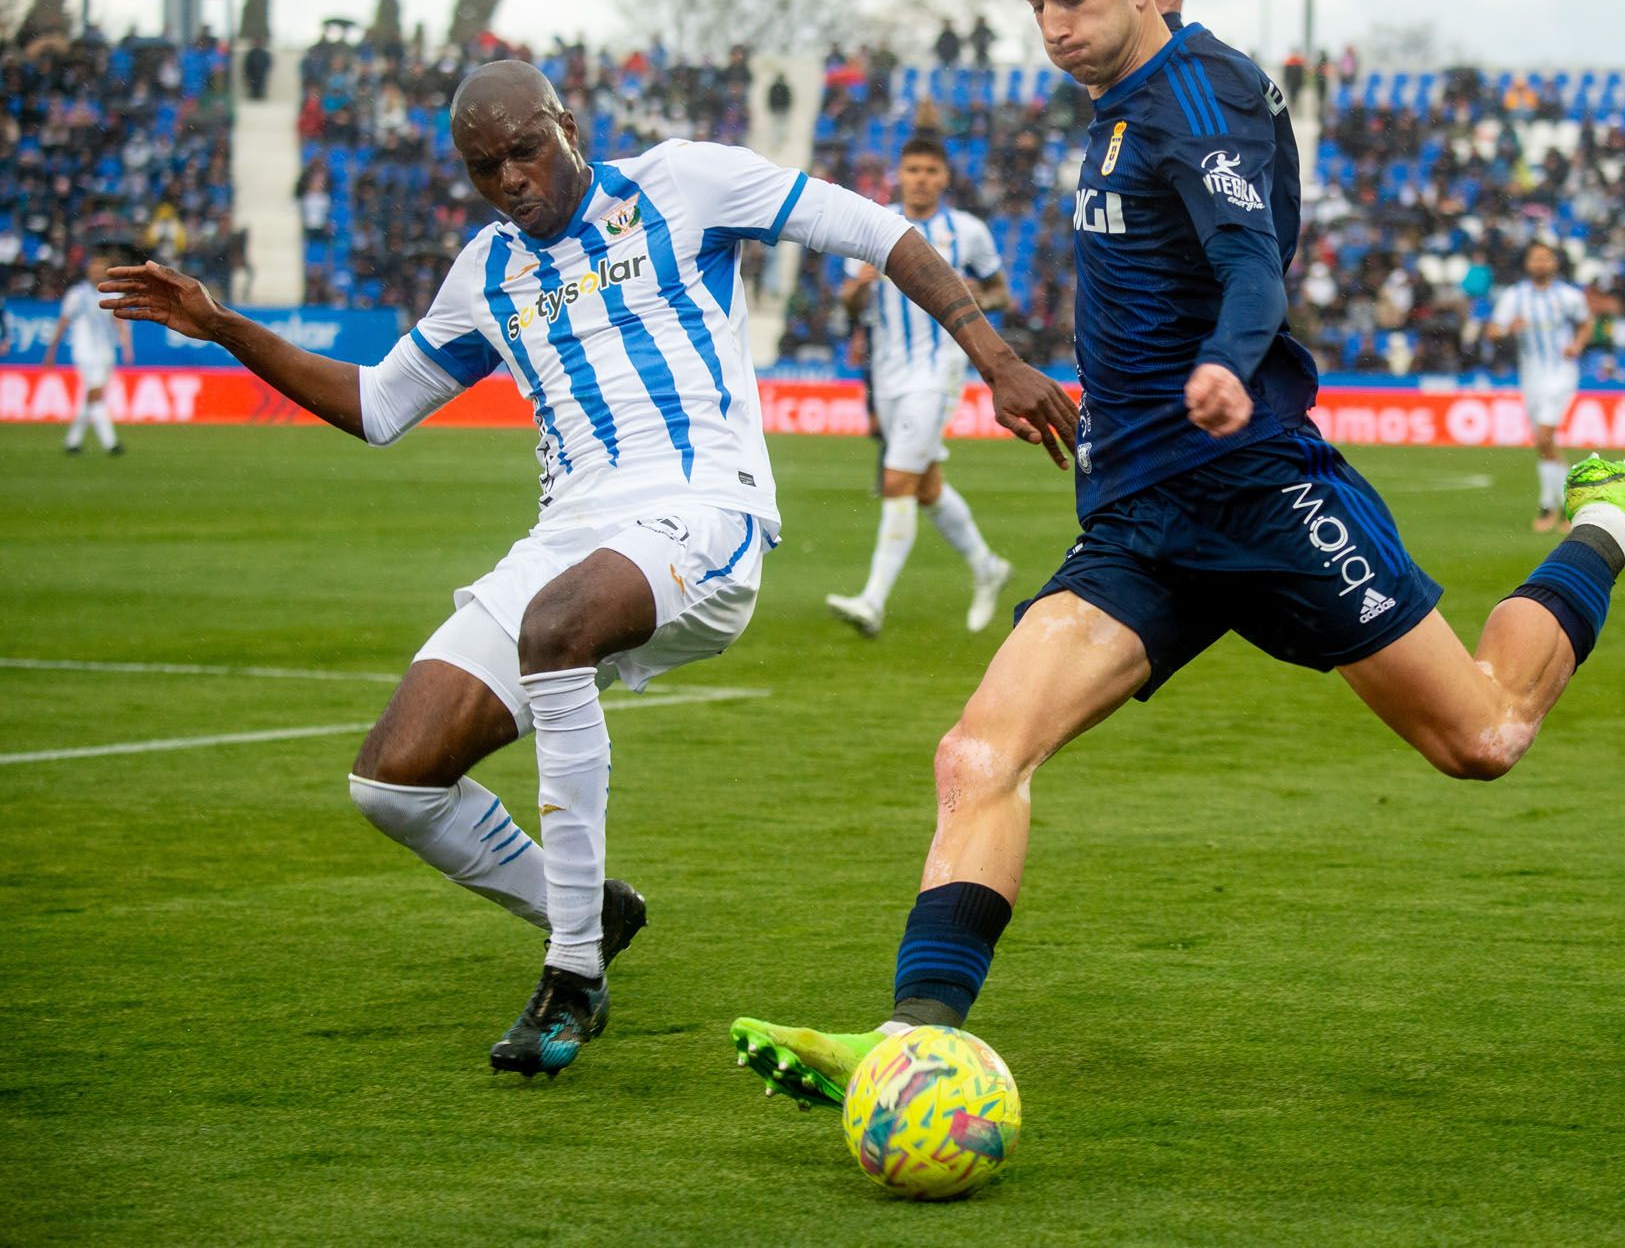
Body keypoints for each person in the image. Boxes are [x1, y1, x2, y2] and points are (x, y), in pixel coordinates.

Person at [727, 0, 1625, 1110]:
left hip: (1258, 495)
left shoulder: (1197, 96)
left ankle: (1608, 518)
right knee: (976, 753)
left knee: (1481, 735)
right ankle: (912, 1041)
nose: (1051, 25)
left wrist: (1226, 359)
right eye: (1033, 5)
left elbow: (1245, 261)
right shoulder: (1116, 108)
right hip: (1139, 524)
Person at [99, 59, 1075, 1080]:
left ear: (564, 124)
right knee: (392, 779)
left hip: (705, 512)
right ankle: (593, 908)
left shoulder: (683, 183)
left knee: (555, 629)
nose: (511, 177)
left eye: (524, 148)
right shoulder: (485, 271)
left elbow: (877, 231)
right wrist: (222, 327)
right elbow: (378, 406)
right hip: (568, 536)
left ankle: (573, 974)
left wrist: (994, 356)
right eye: (485, 166)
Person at [826, 136, 1015, 637]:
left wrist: (978, 295)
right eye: (913, 169)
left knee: (897, 482)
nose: (922, 178)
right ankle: (987, 566)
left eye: (932, 170)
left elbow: (1000, 293)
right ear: (900, 174)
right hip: (888, 372)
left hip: (937, 371)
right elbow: (847, 307)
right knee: (926, 486)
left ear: (945, 178)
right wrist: (860, 285)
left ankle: (872, 601)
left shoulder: (967, 231)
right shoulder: (873, 223)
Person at [1486, 239, 1593, 531]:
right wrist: (1508, 328)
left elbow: (1587, 323)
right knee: (1544, 444)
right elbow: (1493, 330)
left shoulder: (1569, 296)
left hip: (1561, 374)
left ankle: (1549, 507)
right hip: (1530, 377)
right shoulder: (1515, 296)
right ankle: (1573, 505)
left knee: (1544, 439)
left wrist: (1578, 345)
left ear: (1555, 263)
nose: (1541, 263)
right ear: (1527, 263)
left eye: (1546, 258)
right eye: (1536, 258)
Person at [46, 240, 137, 456]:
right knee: (95, 395)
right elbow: (63, 322)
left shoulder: (113, 295)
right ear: (88, 270)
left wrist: (126, 346)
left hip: (106, 352)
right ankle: (110, 443)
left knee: (90, 396)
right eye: (93, 267)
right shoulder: (77, 295)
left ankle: (73, 441)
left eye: (100, 268)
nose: (96, 271)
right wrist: (51, 350)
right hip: (85, 351)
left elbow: (120, 322)